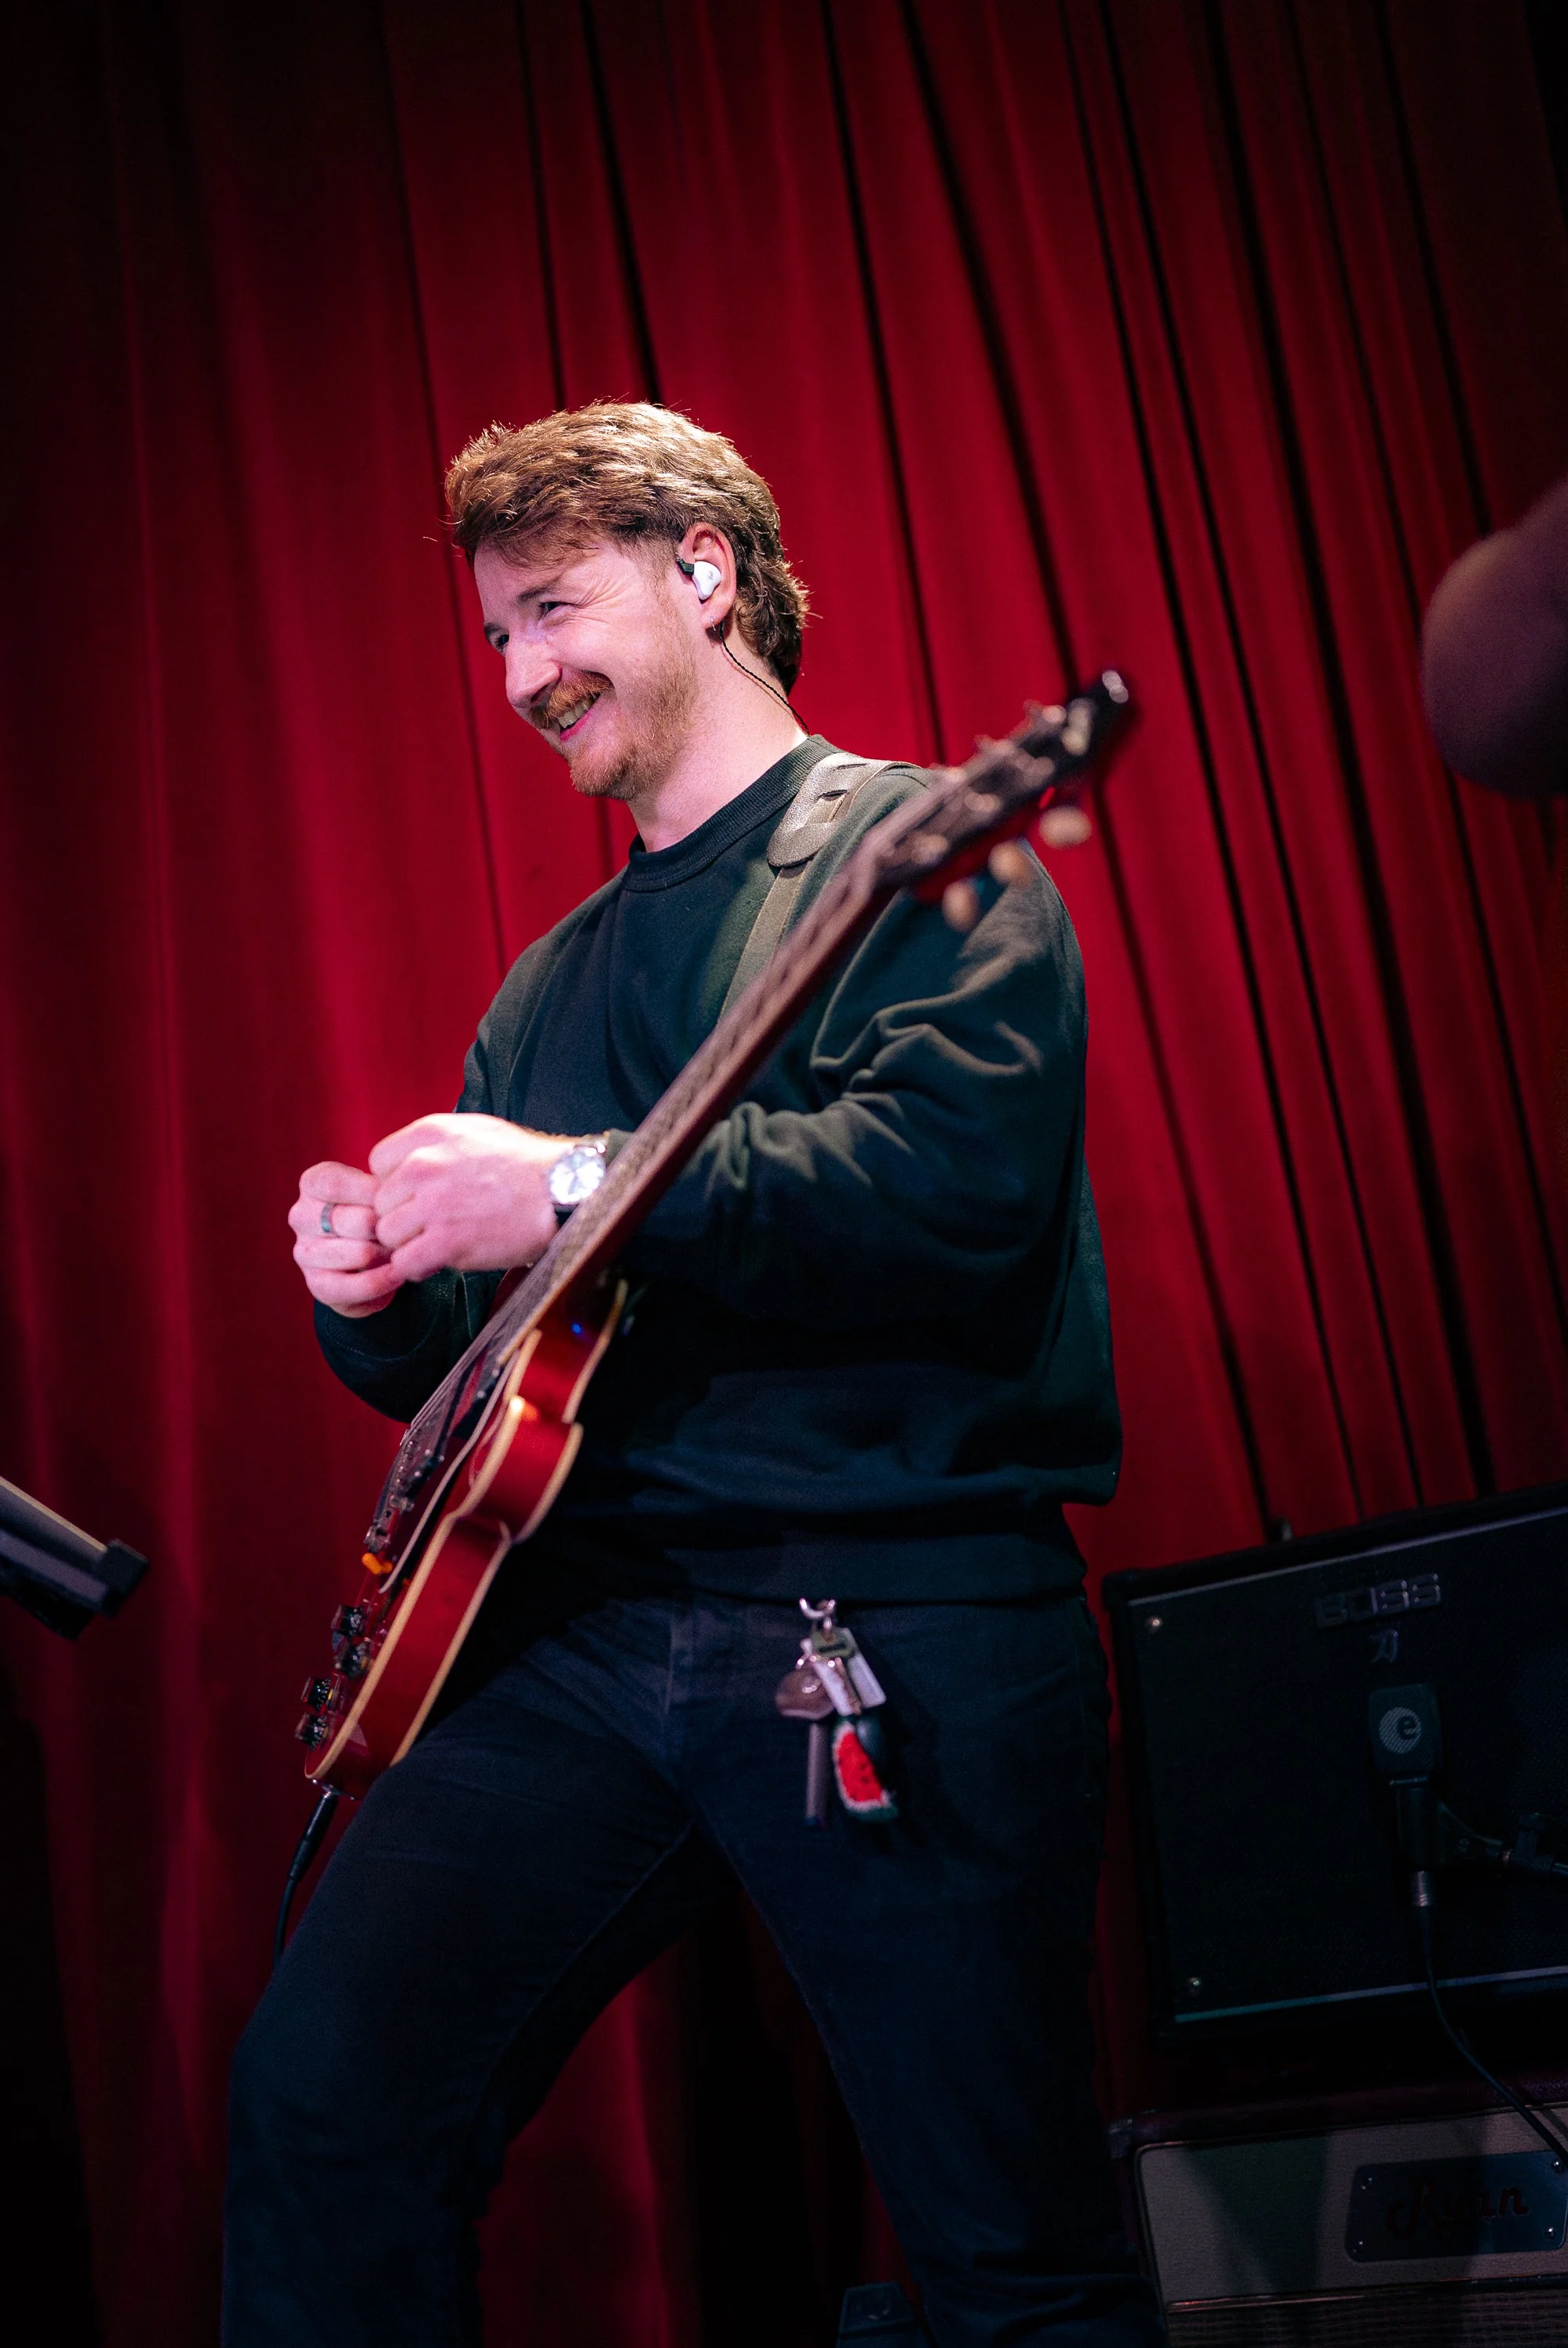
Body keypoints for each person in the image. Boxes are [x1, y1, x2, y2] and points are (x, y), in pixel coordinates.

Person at [224, 401, 1161, 2347]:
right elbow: (488, 1380)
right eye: (492, 636)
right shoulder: (547, 983)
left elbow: (947, 1201)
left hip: (885, 1611)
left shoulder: (926, 849)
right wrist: (370, 1284)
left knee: (1005, 2247)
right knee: (324, 2105)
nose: (523, 672)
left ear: (706, 571)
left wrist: (562, 1183)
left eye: (551, 607)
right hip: (589, 1633)